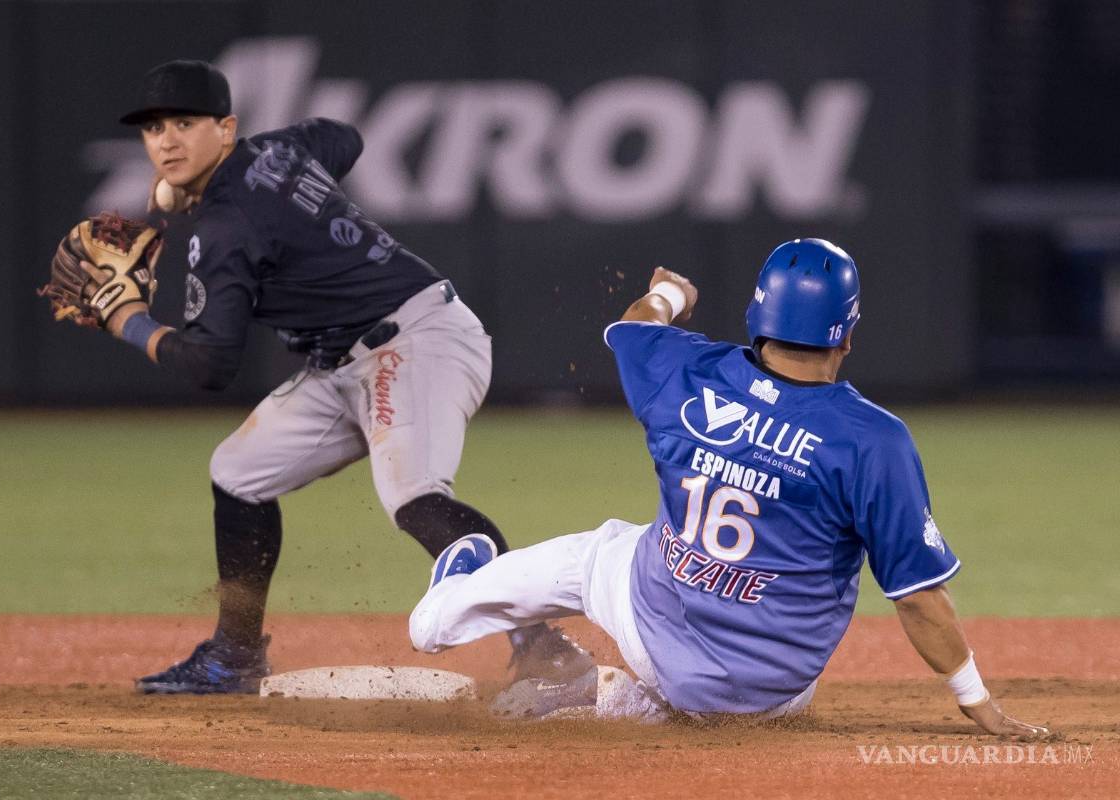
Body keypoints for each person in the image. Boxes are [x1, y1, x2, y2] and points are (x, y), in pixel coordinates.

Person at [409, 239, 1052, 734]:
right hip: (773, 697)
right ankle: (626, 702)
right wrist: (977, 700)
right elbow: (918, 598)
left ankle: (443, 613)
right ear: (848, 334)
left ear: (757, 313)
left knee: (596, 554)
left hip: (648, 629)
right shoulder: (873, 441)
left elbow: (636, 325)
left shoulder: (686, 370)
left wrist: (668, 292)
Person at [97, 59, 591, 693]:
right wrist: (274, 172)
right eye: (153, 129)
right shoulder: (275, 153)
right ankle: (235, 656)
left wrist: (129, 321)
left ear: (225, 128)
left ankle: (547, 650)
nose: (166, 141)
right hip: (341, 360)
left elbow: (211, 365)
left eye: (185, 124)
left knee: (415, 497)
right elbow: (343, 137)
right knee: (238, 473)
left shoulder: (225, 228)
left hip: (416, 341)